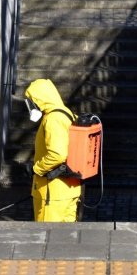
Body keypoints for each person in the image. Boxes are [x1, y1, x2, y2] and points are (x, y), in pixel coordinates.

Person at [24, 78, 81, 222]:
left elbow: (57, 154)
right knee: (66, 239)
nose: (31, 106)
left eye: (32, 101)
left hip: (52, 193)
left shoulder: (52, 119)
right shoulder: (65, 113)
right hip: (69, 188)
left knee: (47, 239)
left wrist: (36, 169)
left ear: (39, 100)